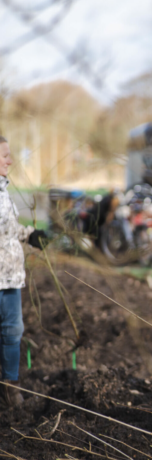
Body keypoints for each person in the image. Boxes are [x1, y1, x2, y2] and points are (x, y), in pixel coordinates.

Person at [0, 136, 46, 407]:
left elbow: (7, 231)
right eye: (5, 155)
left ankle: (9, 389)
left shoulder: (3, 191)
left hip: (10, 277)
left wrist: (30, 235)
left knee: (12, 332)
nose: (11, 160)